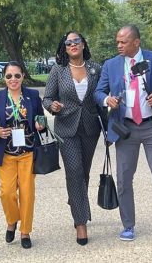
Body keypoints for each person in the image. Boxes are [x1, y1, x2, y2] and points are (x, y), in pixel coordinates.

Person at [94, 25, 152, 247]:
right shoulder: (111, 65)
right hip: (125, 128)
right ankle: (128, 225)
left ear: (136, 42)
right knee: (124, 179)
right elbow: (98, 92)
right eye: (117, 42)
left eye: (123, 42)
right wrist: (107, 100)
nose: (119, 45)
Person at [42, 31, 103, 246]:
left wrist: (110, 130)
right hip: (66, 128)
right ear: (65, 48)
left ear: (83, 44)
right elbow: (47, 98)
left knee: (83, 172)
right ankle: (81, 222)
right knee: (75, 171)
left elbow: (102, 95)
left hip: (90, 127)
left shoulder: (96, 68)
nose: (73, 44)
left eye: (76, 41)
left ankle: (75, 200)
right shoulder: (58, 70)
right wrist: (53, 106)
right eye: (68, 43)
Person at [0, 61, 44, 249]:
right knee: (7, 193)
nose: (13, 79)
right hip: (6, 153)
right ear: (4, 78)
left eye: (17, 75)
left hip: (27, 152)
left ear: (23, 76)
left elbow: (40, 116)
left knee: (27, 194)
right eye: (9, 76)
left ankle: (25, 231)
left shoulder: (32, 95)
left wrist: (39, 124)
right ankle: (12, 221)